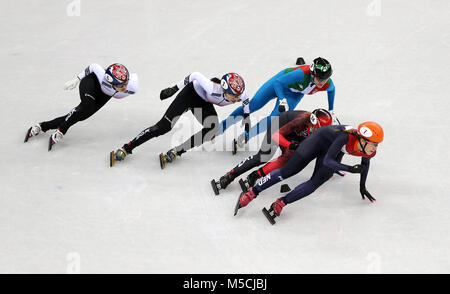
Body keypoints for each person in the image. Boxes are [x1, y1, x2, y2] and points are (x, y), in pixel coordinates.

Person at [233, 122, 384, 224]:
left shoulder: (369, 151)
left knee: (315, 183)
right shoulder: (345, 136)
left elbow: (365, 163)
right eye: (373, 144)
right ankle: (252, 192)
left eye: (377, 145)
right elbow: (328, 161)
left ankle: (281, 203)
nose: (375, 148)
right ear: (363, 140)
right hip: (319, 141)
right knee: (288, 171)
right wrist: (349, 168)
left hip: (334, 150)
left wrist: (362, 185)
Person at [110, 72, 250, 168]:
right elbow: (194, 75)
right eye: (234, 96)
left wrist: (247, 128)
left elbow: (246, 107)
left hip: (203, 102)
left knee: (212, 128)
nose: (236, 99)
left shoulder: (241, 95)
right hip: (190, 95)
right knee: (163, 127)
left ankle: (177, 151)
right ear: (224, 89)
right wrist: (173, 89)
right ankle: (127, 148)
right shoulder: (211, 87)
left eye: (238, 96)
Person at [218, 57, 335, 152]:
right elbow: (278, 83)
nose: (323, 83)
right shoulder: (300, 74)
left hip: (294, 94)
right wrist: (282, 99)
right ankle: (221, 127)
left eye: (325, 79)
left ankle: (246, 136)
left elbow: (332, 90)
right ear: (313, 75)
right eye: (320, 79)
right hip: (279, 84)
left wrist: (331, 110)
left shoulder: (326, 83)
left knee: (274, 119)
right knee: (252, 106)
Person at [211, 109, 333, 195]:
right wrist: (290, 145)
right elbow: (276, 135)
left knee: (288, 159)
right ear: (312, 122)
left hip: (294, 134)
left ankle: (255, 175)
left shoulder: (321, 129)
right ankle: (230, 175)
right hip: (280, 126)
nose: (318, 133)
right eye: (316, 130)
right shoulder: (301, 121)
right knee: (263, 156)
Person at [24, 63, 138, 151]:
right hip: (91, 83)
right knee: (86, 106)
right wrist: (76, 79)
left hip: (105, 94)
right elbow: (93, 66)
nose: (124, 87)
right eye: (120, 85)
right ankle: (62, 130)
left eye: (126, 83)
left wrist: (122, 84)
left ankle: (43, 126)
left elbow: (132, 79)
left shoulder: (132, 86)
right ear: (109, 80)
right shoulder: (101, 74)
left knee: (81, 115)